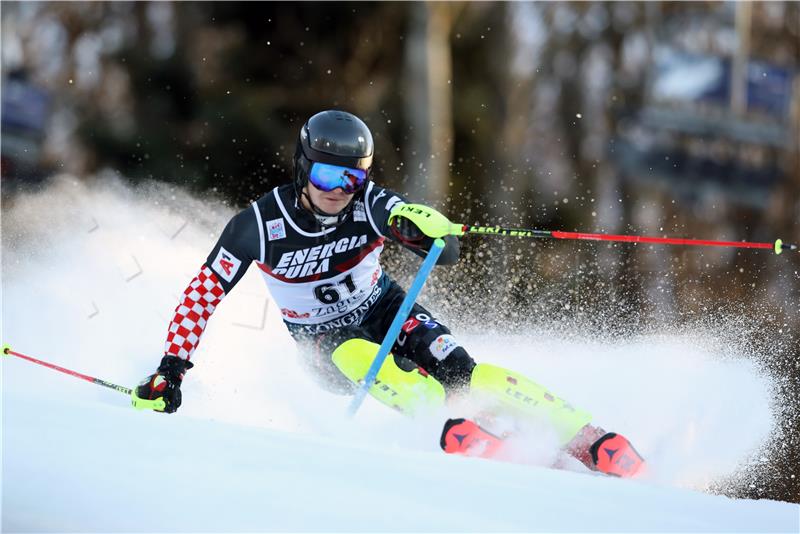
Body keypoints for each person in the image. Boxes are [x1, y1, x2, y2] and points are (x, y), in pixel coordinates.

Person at [132, 110, 644, 477]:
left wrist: (423, 231)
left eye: (353, 176)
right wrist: (171, 369)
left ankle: (586, 438)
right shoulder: (259, 225)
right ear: (302, 167)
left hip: (386, 308)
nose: (339, 188)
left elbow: (429, 242)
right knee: (360, 355)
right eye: (327, 173)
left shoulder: (368, 202)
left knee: (466, 371)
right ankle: (453, 426)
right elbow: (203, 293)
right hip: (322, 342)